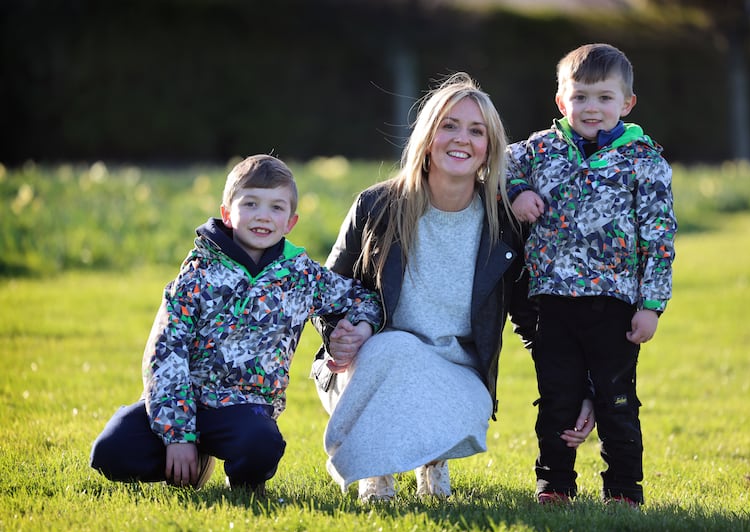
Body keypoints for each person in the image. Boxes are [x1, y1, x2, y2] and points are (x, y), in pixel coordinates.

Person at [310, 72, 595, 502]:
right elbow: (327, 289)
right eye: (449, 125)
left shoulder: (504, 225)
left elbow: (532, 320)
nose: (462, 139)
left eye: (476, 131)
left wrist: (581, 386)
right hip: (369, 367)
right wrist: (338, 333)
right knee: (396, 350)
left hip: (457, 372)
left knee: (447, 386)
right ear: (428, 136)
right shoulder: (377, 206)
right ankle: (376, 472)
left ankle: (432, 459)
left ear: (489, 149)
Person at [90, 155, 382, 493]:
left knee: (261, 444)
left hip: (244, 409)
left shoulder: (301, 277)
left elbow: (366, 298)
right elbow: (165, 352)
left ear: (291, 221)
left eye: (276, 207)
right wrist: (177, 435)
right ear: (228, 213)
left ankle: (244, 481)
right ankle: (192, 459)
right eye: (251, 203)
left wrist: (361, 327)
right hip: (187, 399)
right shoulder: (198, 273)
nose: (262, 215)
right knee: (111, 451)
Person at [505, 43, 677, 507]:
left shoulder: (644, 160)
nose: (591, 108)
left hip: (616, 306)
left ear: (626, 104)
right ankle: (555, 483)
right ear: (562, 102)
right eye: (580, 97)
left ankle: (623, 489)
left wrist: (652, 305)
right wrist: (519, 190)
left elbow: (658, 239)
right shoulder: (541, 149)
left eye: (604, 97)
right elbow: (500, 160)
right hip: (552, 303)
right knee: (556, 396)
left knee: (616, 399)